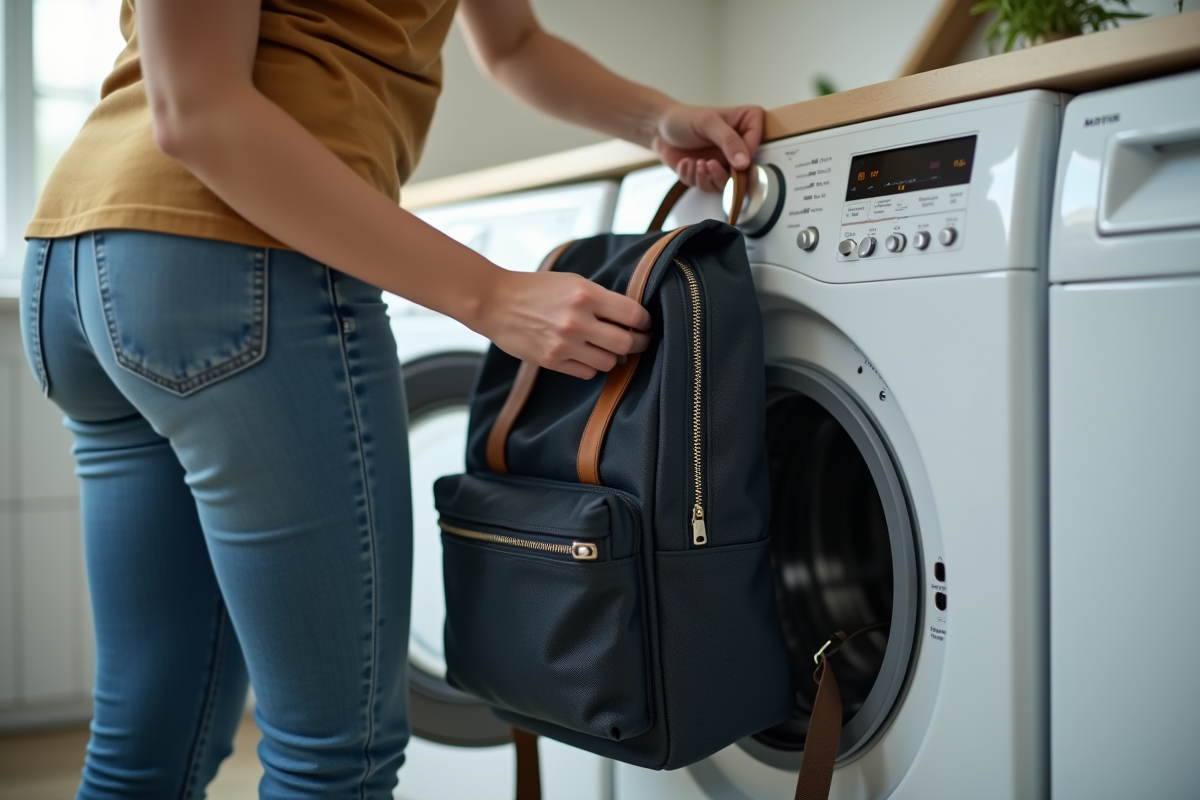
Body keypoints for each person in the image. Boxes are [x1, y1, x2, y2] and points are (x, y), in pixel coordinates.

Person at [20, 0, 763, 797]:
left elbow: (514, 44)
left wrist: (657, 119)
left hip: (81, 267)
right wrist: (490, 295)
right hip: (245, 248)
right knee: (336, 760)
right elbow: (196, 108)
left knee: (150, 742)